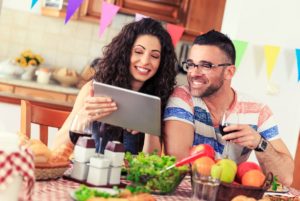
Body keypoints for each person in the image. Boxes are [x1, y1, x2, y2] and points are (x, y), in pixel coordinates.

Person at [163, 30, 294, 186]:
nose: (193, 73)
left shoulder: (258, 112)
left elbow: (286, 178)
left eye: (206, 65)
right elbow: (180, 163)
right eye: (191, 64)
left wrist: (260, 143)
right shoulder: (183, 98)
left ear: (229, 72)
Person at [53, 18, 177, 155]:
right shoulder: (93, 90)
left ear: (162, 63)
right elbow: (55, 148)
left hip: (129, 176)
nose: (145, 61)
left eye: (154, 55)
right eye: (138, 52)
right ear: (125, 52)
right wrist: (81, 118)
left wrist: (149, 129)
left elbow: (151, 164)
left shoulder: (160, 99)